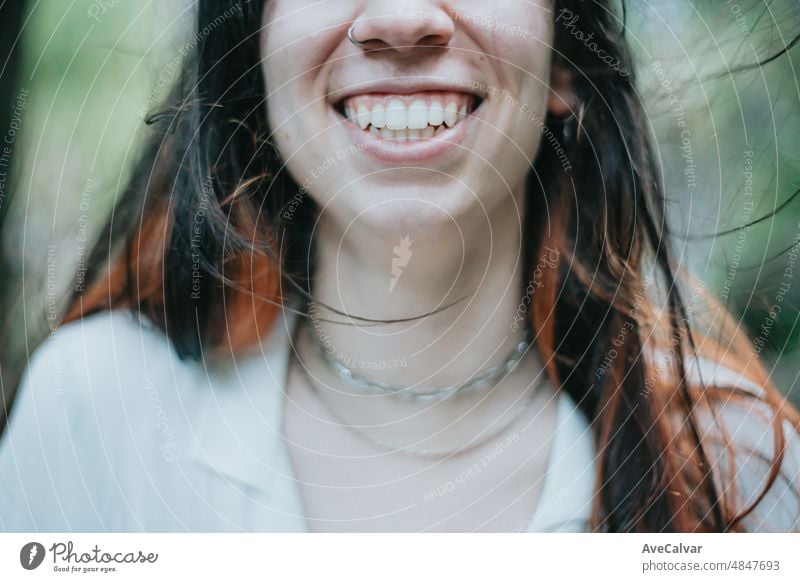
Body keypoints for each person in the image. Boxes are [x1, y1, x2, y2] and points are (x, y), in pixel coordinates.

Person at [1, 0, 798, 533]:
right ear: (251, 50)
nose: (401, 20)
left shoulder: (749, 471)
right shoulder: (92, 415)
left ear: (567, 61)